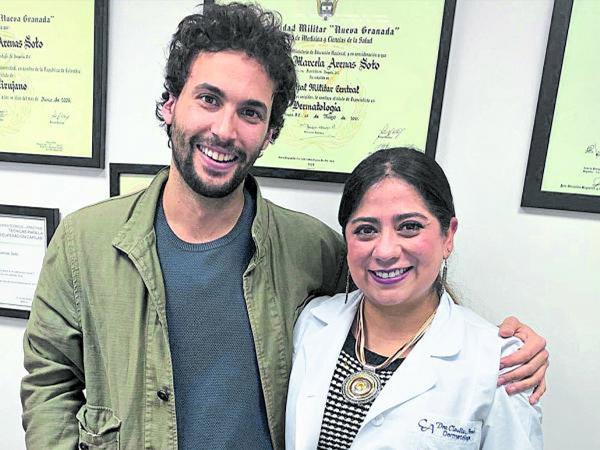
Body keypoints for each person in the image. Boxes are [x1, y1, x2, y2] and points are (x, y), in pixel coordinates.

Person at [21, 3, 547, 450]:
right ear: (170, 105)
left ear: (269, 132)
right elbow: (49, 379)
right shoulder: (84, 242)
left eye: (250, 113)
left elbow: (396, 301)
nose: (224, 129)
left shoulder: (311, 249)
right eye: (208, 99)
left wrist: (504, 346)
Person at [286, 148, 543, 449]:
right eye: (366, 230)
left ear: (448, 236)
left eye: (409, 227)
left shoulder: (502, 362)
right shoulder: (311, 323)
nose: (385, 251)